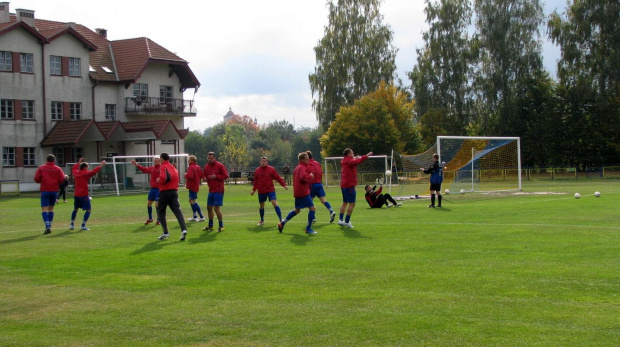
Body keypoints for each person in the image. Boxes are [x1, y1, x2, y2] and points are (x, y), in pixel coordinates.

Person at [277, 152, 317, 234]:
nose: (308, 160)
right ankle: (308, 229)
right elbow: (303, 178)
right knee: (312, 209)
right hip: (303, 192)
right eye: (306, 159)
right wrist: (310, 177)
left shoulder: (297, 167)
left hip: (297, 192)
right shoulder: (302, 167)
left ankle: (282, 223)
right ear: (302, 159)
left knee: (297, 210)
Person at [156, 152, 188, 241]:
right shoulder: (173, 168)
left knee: (161, 211)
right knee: (177, 211)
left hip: (165, 192)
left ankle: (165, 232)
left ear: (162, 159)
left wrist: (159, 180)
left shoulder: (163, 167)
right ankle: (183, 229)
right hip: (174, 191)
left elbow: (164, 178)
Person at [338, 148, 373, 228]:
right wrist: (366, 156)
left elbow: (353, 161)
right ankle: (346, 221)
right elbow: (356, 162)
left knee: (345, 202)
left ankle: (340, 219)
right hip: (349, 185)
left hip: (344, 184)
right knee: (352, 203)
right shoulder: (349, 161)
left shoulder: (344, 161)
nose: (353, 154)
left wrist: (356, 157)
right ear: (349, 154)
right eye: (352, 153)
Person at [34, 154, 66, 234]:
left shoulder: (42, 168)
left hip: (45, 190)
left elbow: (36, 179)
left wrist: (42, 181)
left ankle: (47, 225)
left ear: (47, 160)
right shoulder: (58, 169)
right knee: (51, 208)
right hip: (54, 190)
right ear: (54, 160)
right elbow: (62, 178)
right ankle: (49, 225)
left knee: (44, 208)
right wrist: (56, 182)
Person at [71, 158, 106, 231]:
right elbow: (94, 171)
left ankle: (72, 224)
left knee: (75, 209)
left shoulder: (76, 173)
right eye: (87, 167)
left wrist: (78, 162)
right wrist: (101, 165)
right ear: (85, 167)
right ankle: (83, 225)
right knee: (89, 210)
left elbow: (73, 168)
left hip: (76, 194)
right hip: (84, 194)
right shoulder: (85, 173)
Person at [251, 156, 288, 226]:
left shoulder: (271, 169)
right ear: (260, 162)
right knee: (262, 205)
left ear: (267, 162)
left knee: (274, 203)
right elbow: (255, 182)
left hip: (270, 190)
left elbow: (278, 178)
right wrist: (253, 190)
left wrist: (284, 185)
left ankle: (281, 219)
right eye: (262, 161)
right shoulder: (257, 170)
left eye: (265, 161)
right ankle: (262, 220)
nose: (263, 162)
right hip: (261, 191)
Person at [306, 151, 336, 223]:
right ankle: (331, 211)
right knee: (323, 200)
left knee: (310, 202)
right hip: (319, 184)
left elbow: (308, 175)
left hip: (312, 184)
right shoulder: (317, 163)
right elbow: (320, 173)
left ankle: (312, 218)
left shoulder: (307, 164)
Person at [202, 152, 229, 232]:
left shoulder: (220, 166)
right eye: (208, 158)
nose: (210, 160)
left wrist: (216, 176)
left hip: (219, 190)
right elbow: (204, 175)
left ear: (215, 158)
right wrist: (204, 178)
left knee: (216, 208)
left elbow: (225, 176)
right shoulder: (206, 167)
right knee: (209, 208)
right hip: (211, 190)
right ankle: (210, 226)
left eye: (211, 158)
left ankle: (221, 226)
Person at [131, 157, 161, 225]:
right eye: (154, 161)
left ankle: (159, 219)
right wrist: (137, 165)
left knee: (157, 204)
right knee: (149, 203)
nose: (155, 162)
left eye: (157, 161)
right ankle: (150, 218)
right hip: (152, 189)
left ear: (159, 161)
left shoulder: (161, 168)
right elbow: (144, 169)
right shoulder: (152, 168)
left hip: (159, 189)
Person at [185, 155, 205, 222]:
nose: (188, 161)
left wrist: (185, 175)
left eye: (189, 160)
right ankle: (194, 216)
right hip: (196, 185)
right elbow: (202, 175)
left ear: (192, 160)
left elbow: (190, 176)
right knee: (190, 200)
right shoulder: (198, 167)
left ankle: (201, 216)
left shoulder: (191, 167)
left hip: (192, 186)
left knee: (193, 201)